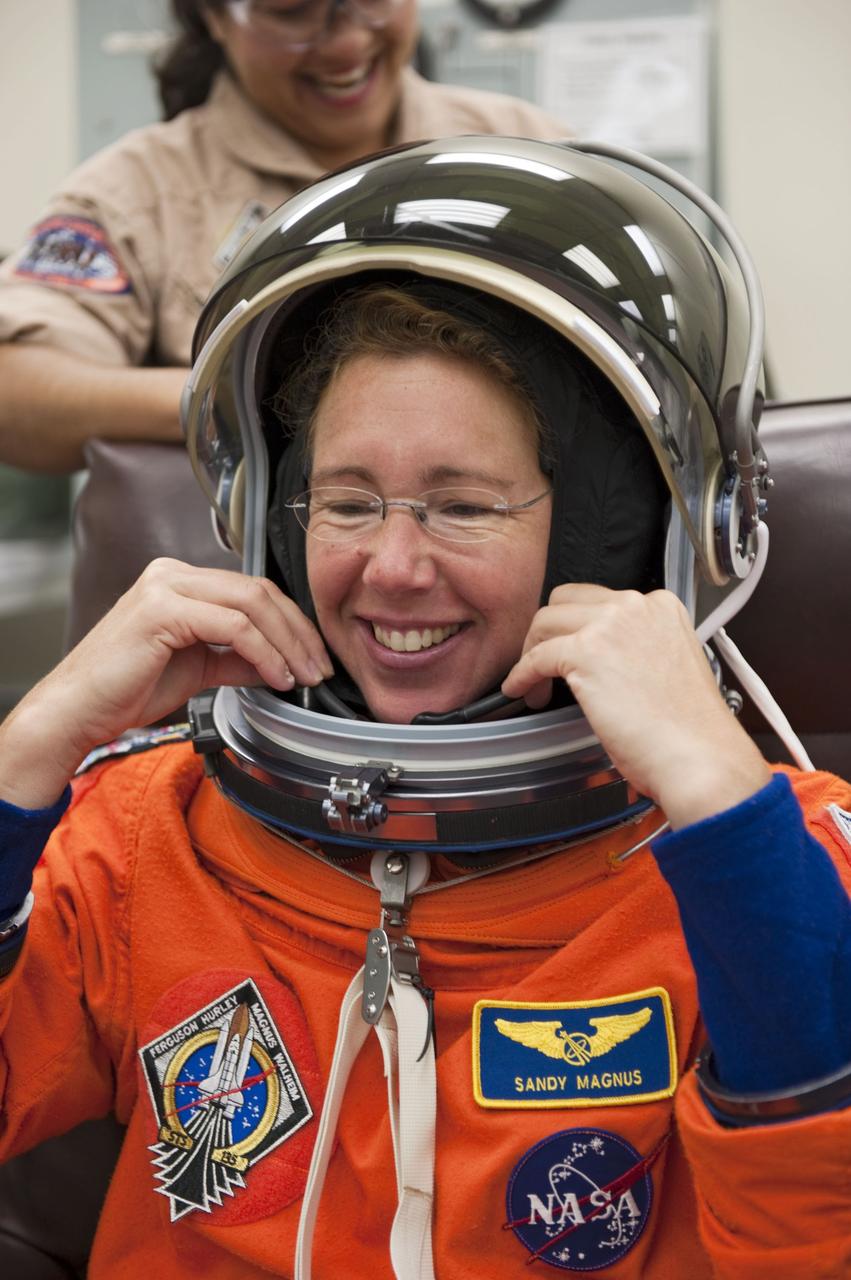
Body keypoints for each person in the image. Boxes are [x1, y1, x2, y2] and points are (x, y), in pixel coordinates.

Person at [1, 137, 850, 1278]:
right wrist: (32, 744)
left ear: (623, 533)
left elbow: (817, 1235)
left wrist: (720, 805)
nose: (392, 568)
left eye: (462, 505)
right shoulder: (143, 835)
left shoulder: (774, 862)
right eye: (347, 501)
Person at [0, 0, 568, 646]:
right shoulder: (141, 190)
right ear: (215, 16)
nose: (346, 40)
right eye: (293, 12)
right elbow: (14, 387)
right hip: (237, 651)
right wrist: (234, 399)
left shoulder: (527, 156)